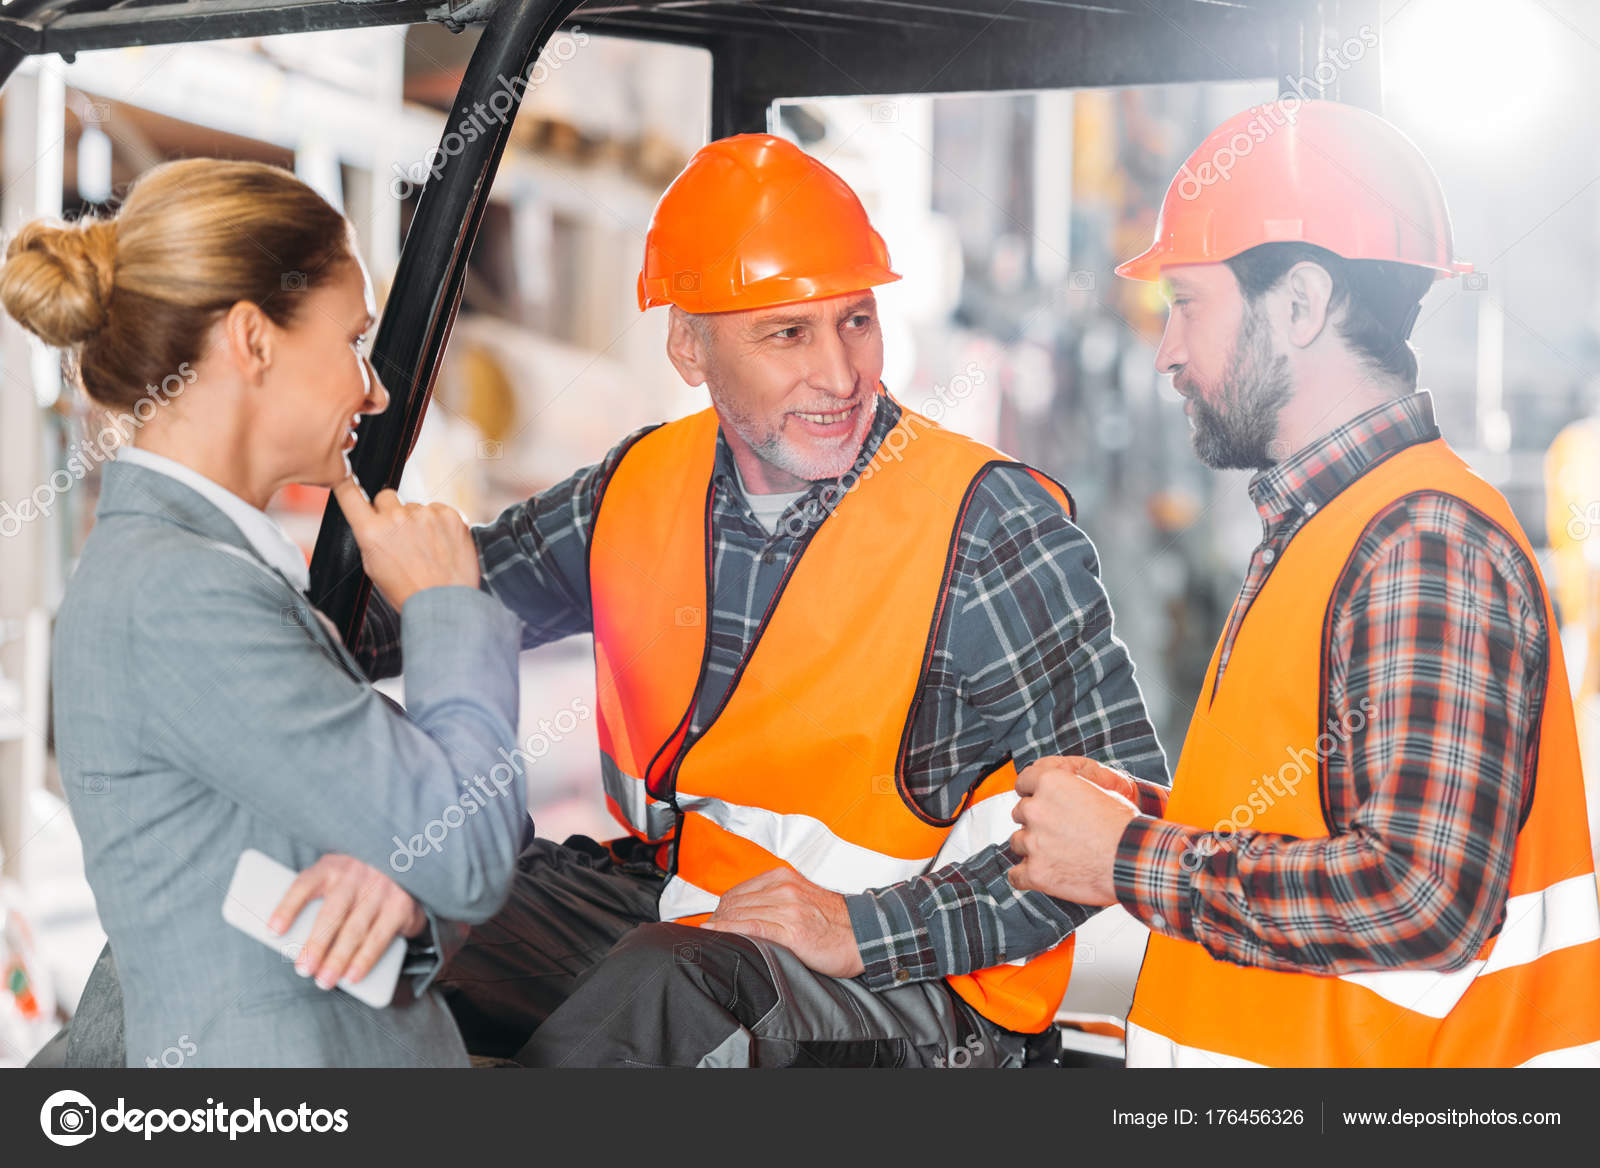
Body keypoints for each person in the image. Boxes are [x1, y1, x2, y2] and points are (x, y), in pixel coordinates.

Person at [356, 134, 1169, 1067]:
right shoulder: (641, 487)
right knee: (427, 889)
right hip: (695, 910)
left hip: (925, 996)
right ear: (688, 345)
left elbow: (1121, 824)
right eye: (788, 333)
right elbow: (440, 596)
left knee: (672, 988)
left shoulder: (987, 528)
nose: (840, 374)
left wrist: (863, 926)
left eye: (856, 320)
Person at [1006, 101, 1600, 1067]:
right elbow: (1339, 827)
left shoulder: (1421, 538)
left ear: (1300, 303)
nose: (1164, 350)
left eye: (1186, 304)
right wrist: (1145, 820)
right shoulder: (1335, 526)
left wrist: (1125, 860)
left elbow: (1421, 896)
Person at [6, 159, 530, 1067]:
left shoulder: (199, 569)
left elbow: (423, 832)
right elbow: (470, 843)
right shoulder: (183, 596)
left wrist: (400, 876)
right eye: (352, 342)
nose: (373, 390)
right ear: (253, 340)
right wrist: (447, 608)